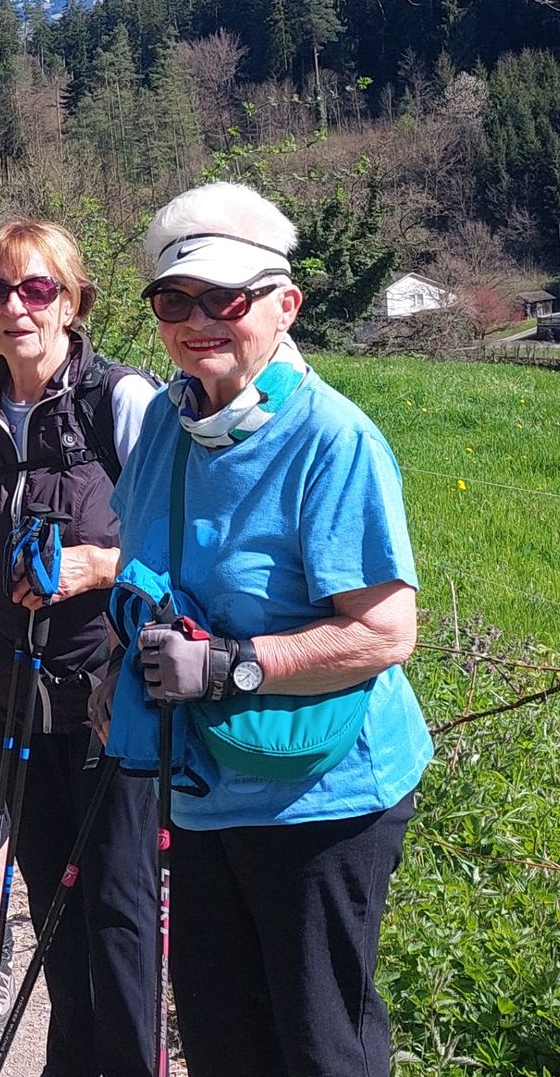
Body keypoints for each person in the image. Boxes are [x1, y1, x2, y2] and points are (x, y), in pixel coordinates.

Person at [106, 180, 433, 1077]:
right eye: (176, 299)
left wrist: (229, 666)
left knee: (320, 1042)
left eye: (228, 299)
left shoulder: (334, 440)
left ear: (285, 305)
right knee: (222, 1038)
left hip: (321, 795)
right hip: (204, 786)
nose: (199, 319)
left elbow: (384, 633)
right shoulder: (171, 430)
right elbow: (145, 571)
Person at [0, 218, 160, 1077]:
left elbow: (177, 544)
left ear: (72, 302)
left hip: (108, 697)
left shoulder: (121, 399)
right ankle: (72, 1059)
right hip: (16, 694)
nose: (16, 307)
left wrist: (100, 565)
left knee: (117, 910)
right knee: (51, 902)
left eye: (38, 289)